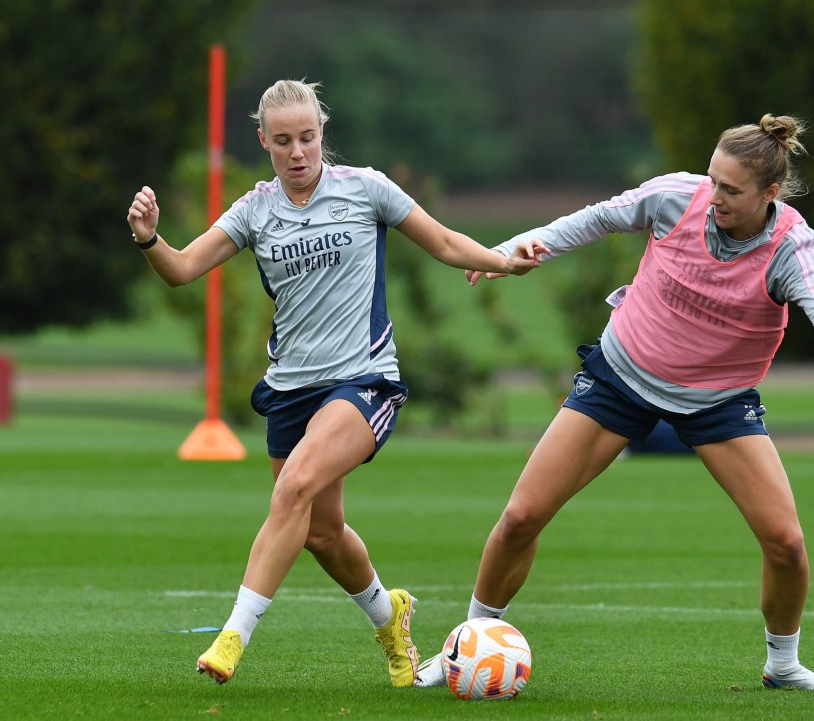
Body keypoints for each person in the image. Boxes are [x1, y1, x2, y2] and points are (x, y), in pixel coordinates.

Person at [415, 114, 814, 692]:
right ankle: (470, 645)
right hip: (621, 376)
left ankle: (783, 665)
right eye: (713, 180)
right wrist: (507, 250)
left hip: (718, 402)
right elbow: (594, 220)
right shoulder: (675, 198)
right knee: (520, 518)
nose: (714, 197)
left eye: (731, 190)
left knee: (786, 544)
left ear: (769, 194)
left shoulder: (791, 243)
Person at [125, 79, 546, 687]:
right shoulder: (254, 210)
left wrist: (502, 259)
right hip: (290, 388)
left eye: (308, 138)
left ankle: (232, 638)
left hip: (363, 380)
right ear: (264, 143)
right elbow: (183, 269)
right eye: (284, 141)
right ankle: (389, 615)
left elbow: (447, 243)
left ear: (322, 134)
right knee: (321, 531)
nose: (298, 152)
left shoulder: (366, 189)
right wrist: (148, 238)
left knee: (292, 487)